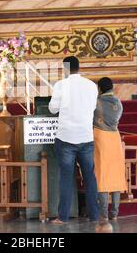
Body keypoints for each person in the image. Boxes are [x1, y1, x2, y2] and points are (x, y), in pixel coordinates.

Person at [48, 56, 99, 224]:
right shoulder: (91, 85)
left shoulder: (61, 85)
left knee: (66, 177)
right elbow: (92, 108)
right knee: (89, 177)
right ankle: (94, 216)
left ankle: (62, 217)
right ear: (79, 67)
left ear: (65, 69)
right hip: (85, 136)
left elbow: (53, 109)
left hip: (66, 137)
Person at [93, 77, 127, 224]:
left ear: (100, 88)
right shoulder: (118, 103)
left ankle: (104, 214)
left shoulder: (96, 103)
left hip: (100, 138)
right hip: (115, 138)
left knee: (102, 176)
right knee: (115, 176)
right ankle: (114, 213)